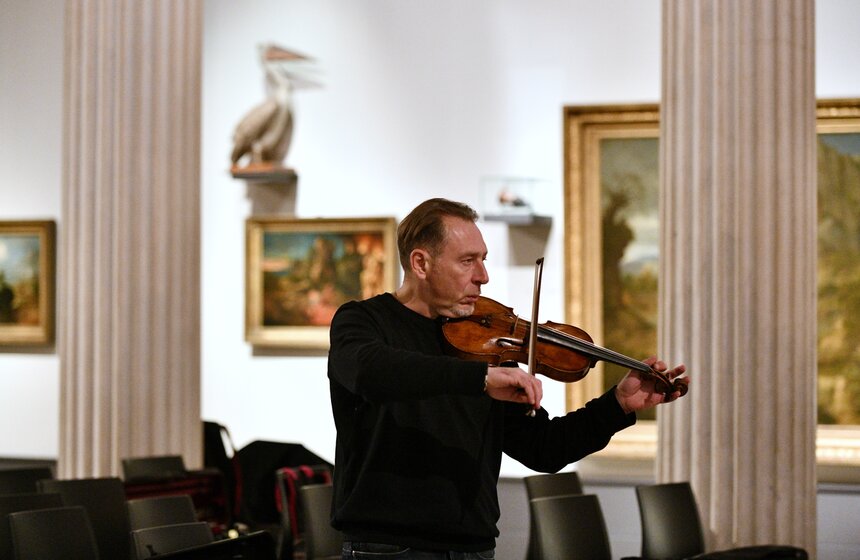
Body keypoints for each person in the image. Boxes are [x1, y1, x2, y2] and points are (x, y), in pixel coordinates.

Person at [327, 198, 688, 559]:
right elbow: (370, 371)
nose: (483, 276)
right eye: (468, 261)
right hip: (389, 549)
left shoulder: (485, 344)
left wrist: (618, 404)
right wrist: (479, 379)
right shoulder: (363, 322)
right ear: (421, 263)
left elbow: (545, 448)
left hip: (475, 548)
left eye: (483, 259)